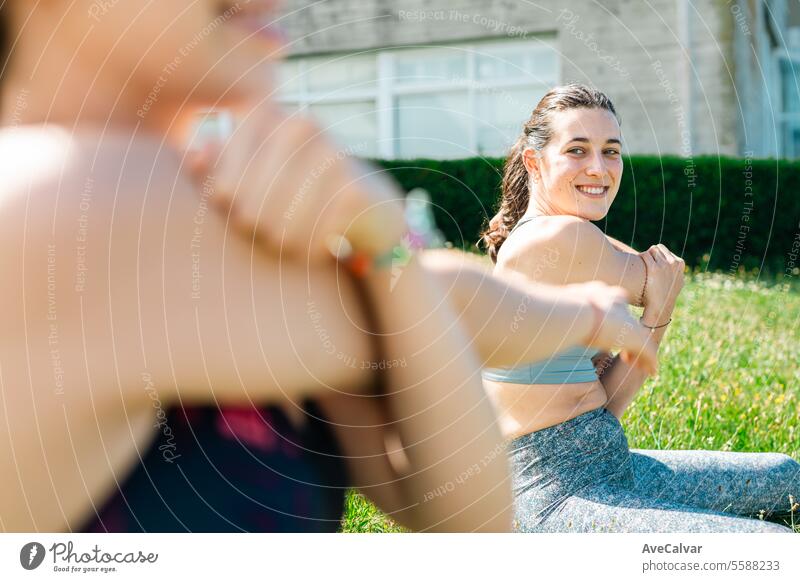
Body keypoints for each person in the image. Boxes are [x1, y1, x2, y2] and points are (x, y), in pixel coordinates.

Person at [0, 3, 657, 532]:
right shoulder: (54, 206)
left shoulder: (225, 208)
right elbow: (437, 303)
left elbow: (460, 514)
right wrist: (383, 245)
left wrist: (384, 255)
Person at [481, 83, 800, 533]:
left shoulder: (565, 234)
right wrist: (658, 302)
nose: (599, 167)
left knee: (787, 476)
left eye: (611, 151)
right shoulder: (560, 239)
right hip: (555, 501)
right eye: (577, 150)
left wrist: (656, 313)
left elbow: (606, 403)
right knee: (771, 545)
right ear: (535, 162)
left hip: (613, 470)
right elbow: (662, 278)